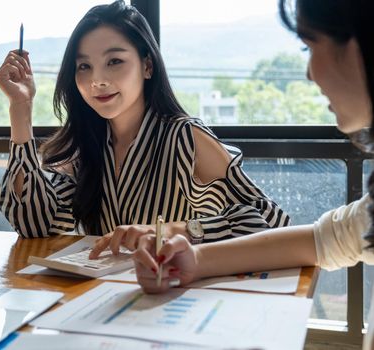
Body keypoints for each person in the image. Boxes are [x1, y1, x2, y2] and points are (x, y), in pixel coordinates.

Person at [133, 0, 374, 346]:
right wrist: (196, 259)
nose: (308, 73)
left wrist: (192, 231)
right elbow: (325, 238)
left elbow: (264, 216)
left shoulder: (185, 135)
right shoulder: (85, 147)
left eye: (309, 46)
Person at [0, 0, 290, 257]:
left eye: (115, 61)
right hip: (99, 300)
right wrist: (21, 107)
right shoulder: (86, 144)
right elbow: (33, 224)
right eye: (84, 66)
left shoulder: (183, 137)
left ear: (147, 66)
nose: (97, 79)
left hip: (173, 299)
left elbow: (271, 223)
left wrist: (175, 231)